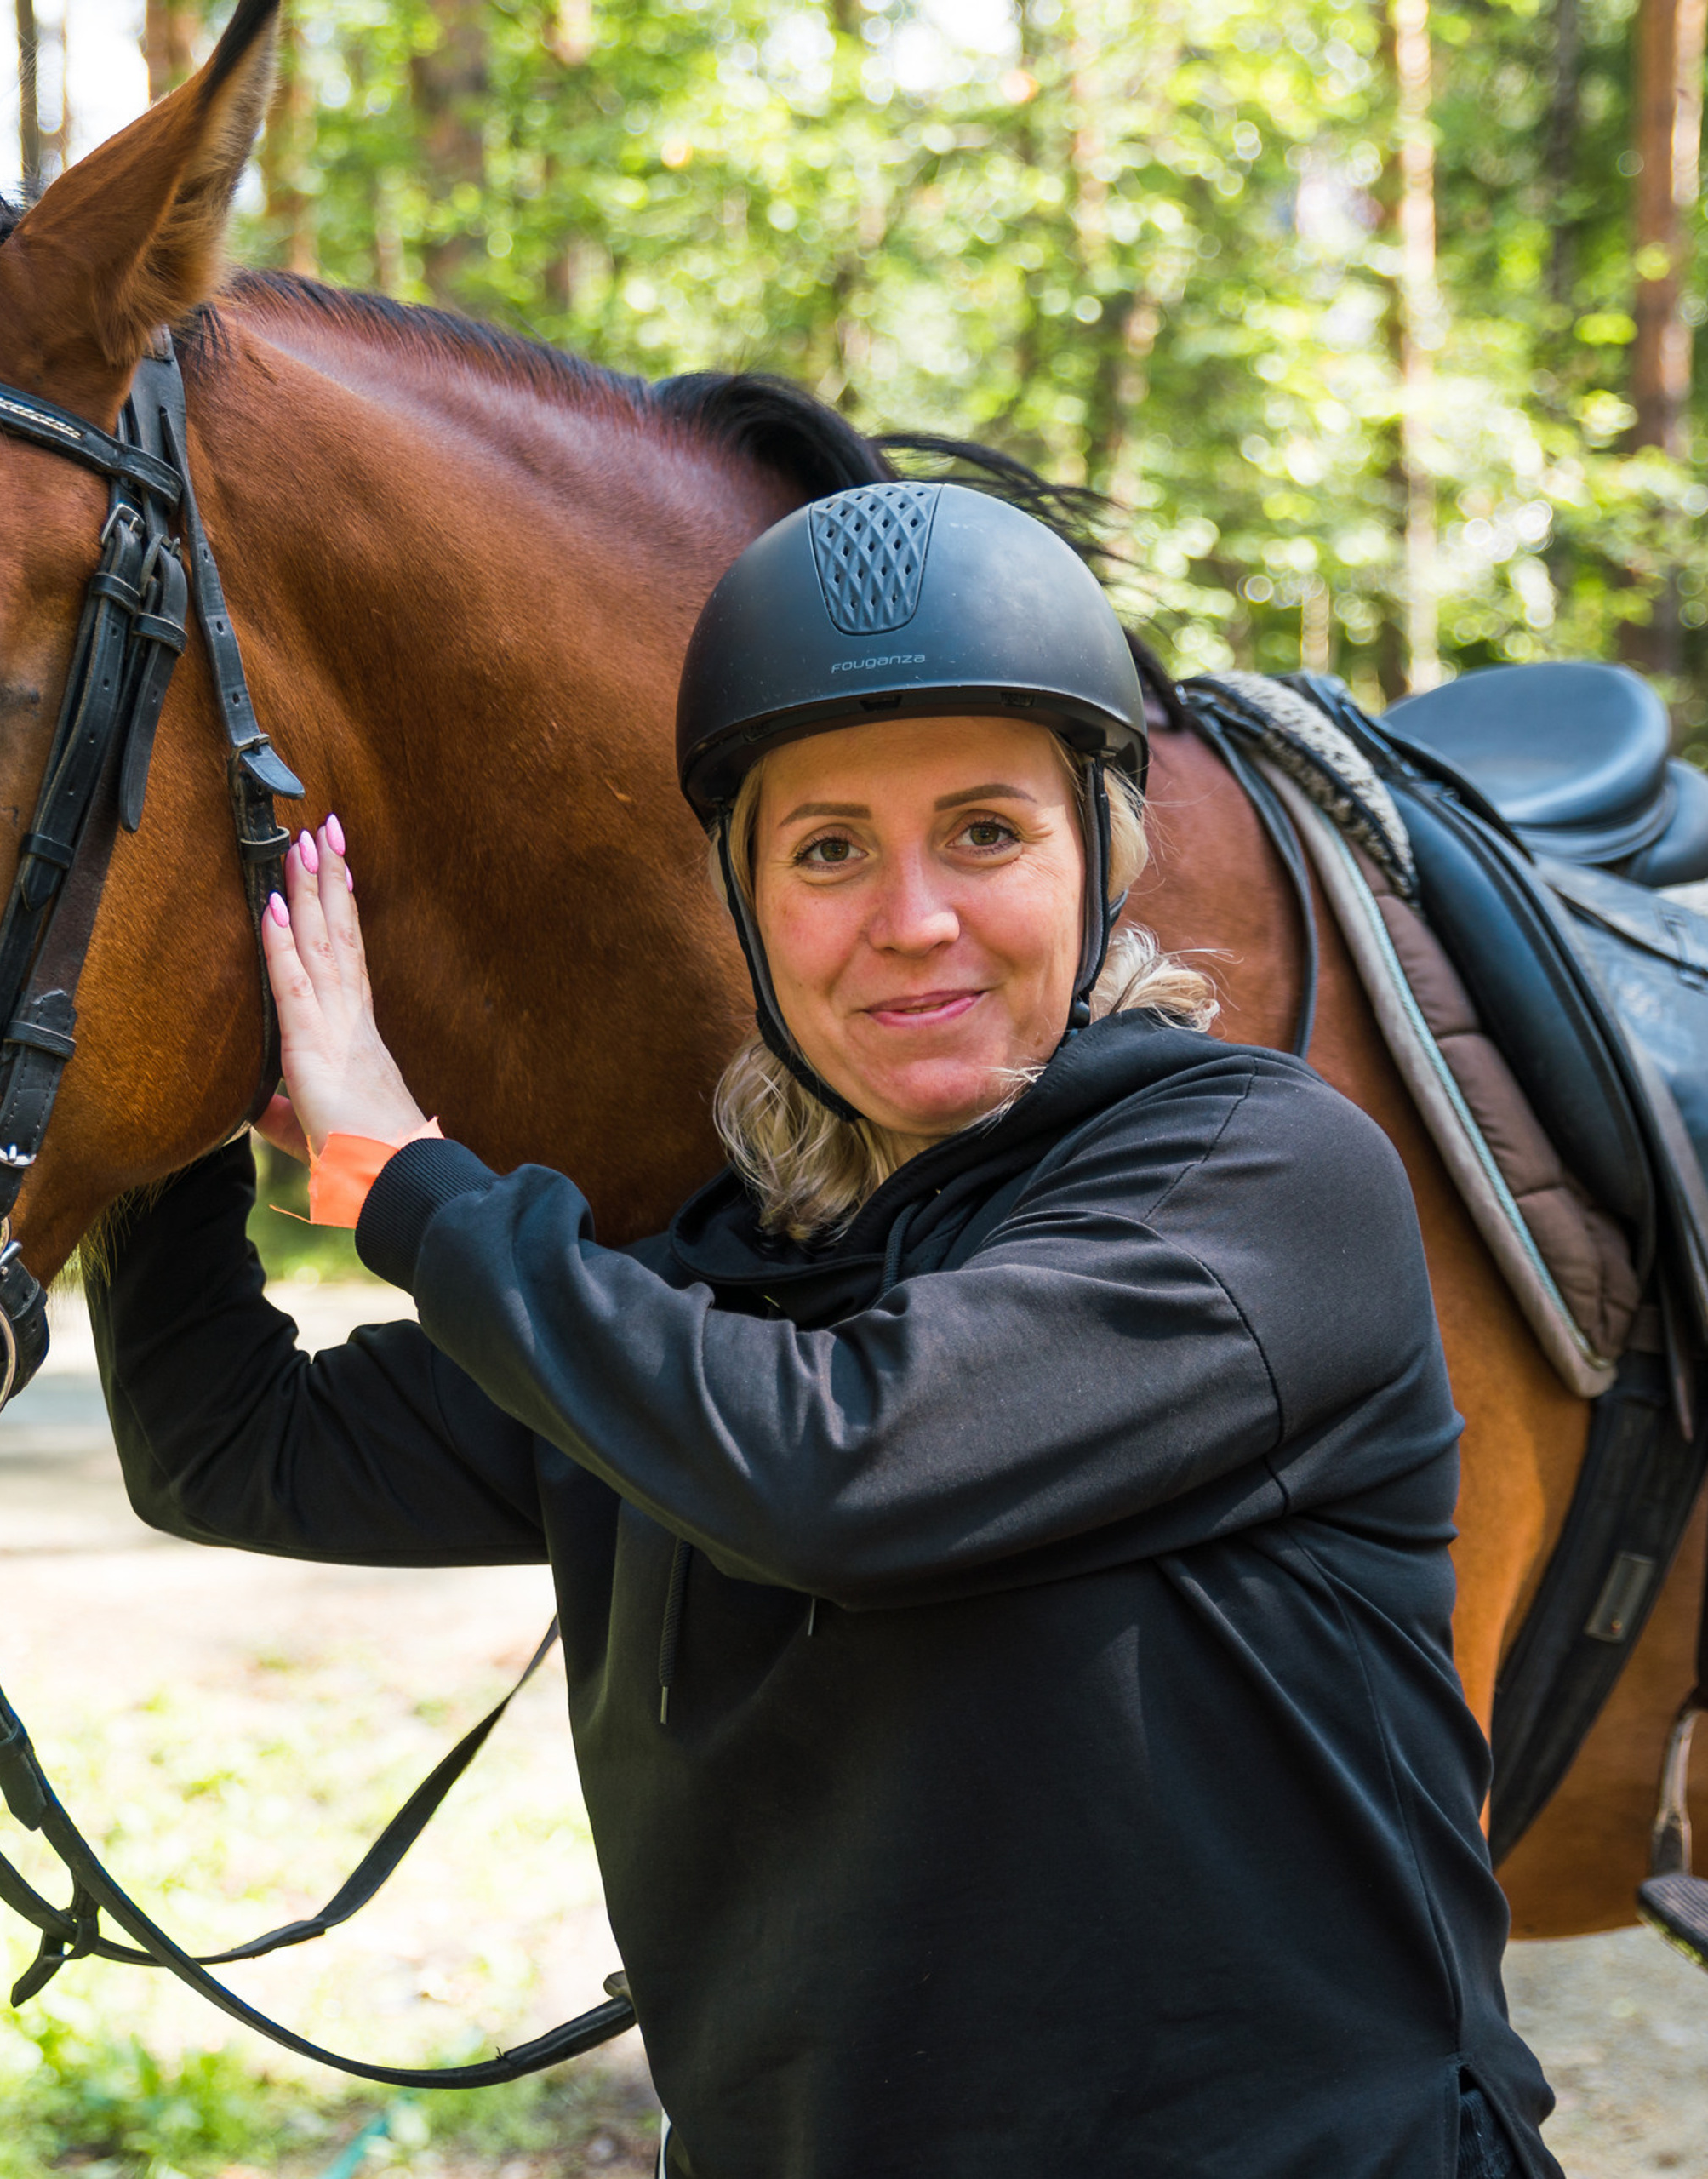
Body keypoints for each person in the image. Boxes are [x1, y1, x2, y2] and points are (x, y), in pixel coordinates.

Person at [87, 483, 1560, 2178]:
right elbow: (228, 1445)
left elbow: (841, 1461)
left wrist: (399, 1177)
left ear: (1099, 858)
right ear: (750, 907)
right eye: (828, 848)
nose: (910, 915)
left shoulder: (1260, 1180)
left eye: (985, 833)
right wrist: (161, 1037)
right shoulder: (705, 1289)